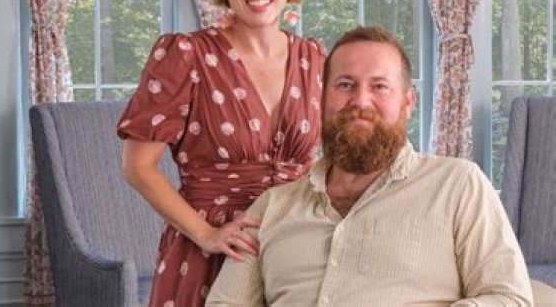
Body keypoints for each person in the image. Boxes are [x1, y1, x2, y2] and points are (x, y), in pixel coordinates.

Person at [206, 25, 534, 306]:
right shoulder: (272, 207)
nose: (361, 100)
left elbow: (510, 298)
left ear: (408, 102)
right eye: (345, 85)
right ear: (321, 99)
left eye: (379, 86)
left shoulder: (457, 185)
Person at [116, 0, 327, 307]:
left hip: (294, 249)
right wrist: (206, 234)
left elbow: (328, 162)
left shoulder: (314, 58)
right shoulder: (186, 54)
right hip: (210, 252)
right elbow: (137, 166)